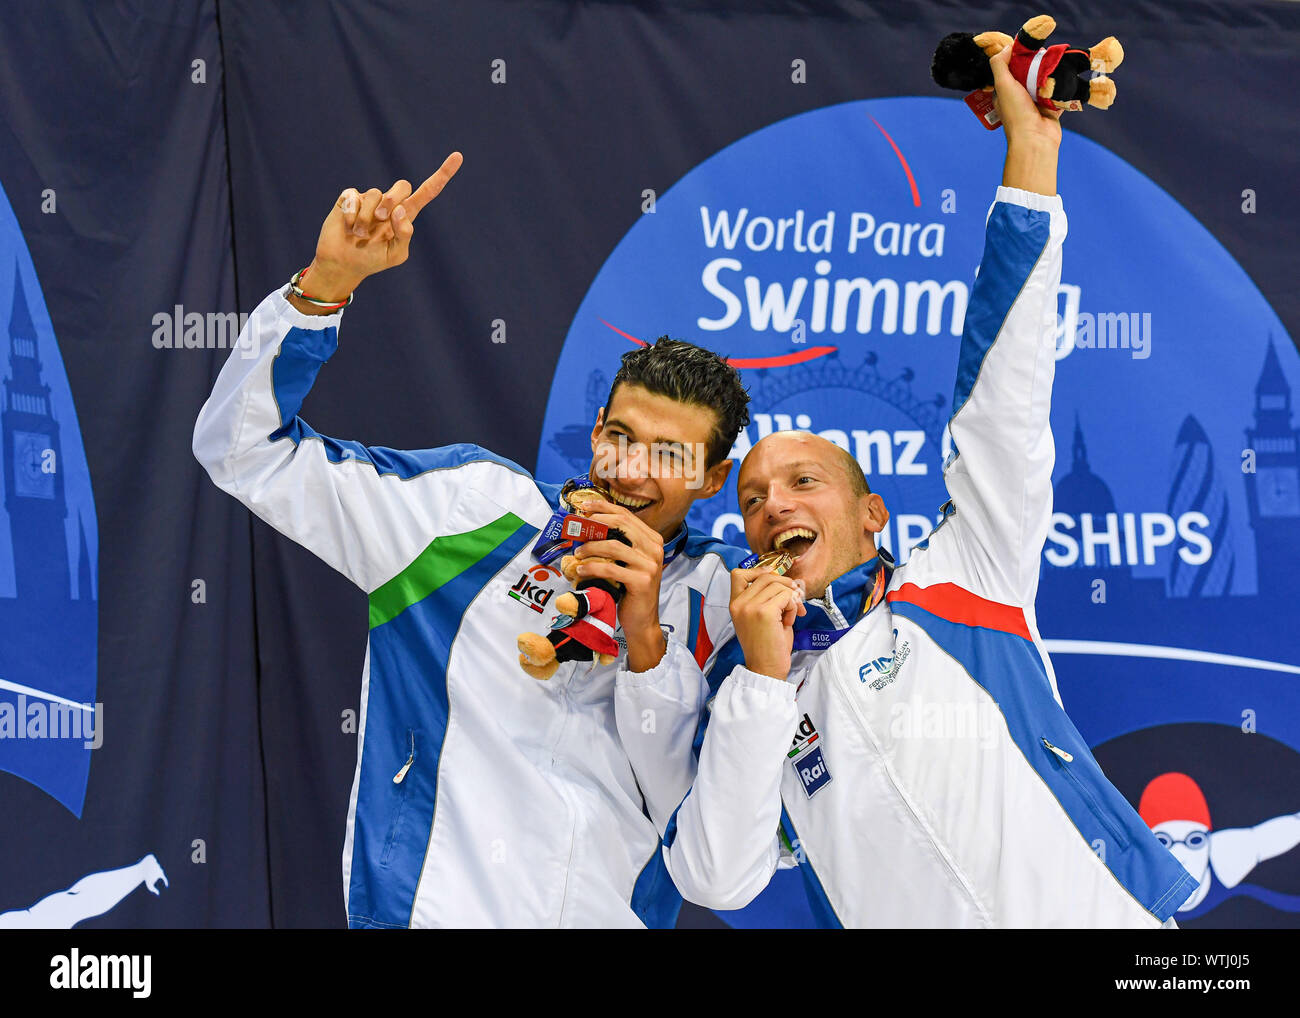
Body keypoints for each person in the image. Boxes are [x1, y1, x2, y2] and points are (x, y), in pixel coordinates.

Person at [614, 44, 1199, 928]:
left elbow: (1006, 392)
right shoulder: (750, 681)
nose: (772, 505)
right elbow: (714, 878)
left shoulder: (965, 576)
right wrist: (765, 684)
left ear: (873, 514)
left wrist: (1031, 158)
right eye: (751, 499)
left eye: (803, 481)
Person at [191, 154, 752, 928]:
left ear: (714, 478)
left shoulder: (728, 604)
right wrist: (323, 289)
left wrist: (649, 642)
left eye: (668, 456)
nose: (628, 470)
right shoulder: (468, 510)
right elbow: (243, 451)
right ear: (594, 431)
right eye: (619, 436)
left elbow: (713, 839)